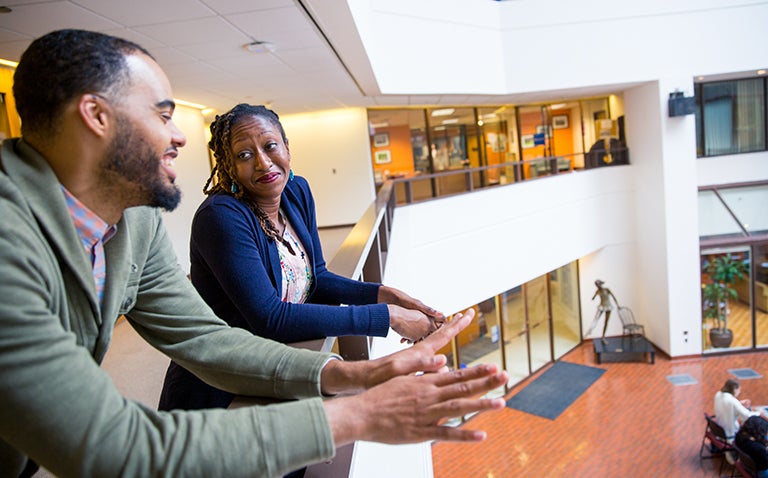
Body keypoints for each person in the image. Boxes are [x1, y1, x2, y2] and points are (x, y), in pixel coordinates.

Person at [0, 29, 509, 478]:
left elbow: (203, 336)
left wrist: (357, 373)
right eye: (162, 114)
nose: (178, 136)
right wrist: (363, 414)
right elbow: (113, 447)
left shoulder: (135, 216)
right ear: (96, 116)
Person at [159, 104, 444, 411]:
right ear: (228, 166)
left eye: (270, 146)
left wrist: (384, 294)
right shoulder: (221, 217)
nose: (263, 163)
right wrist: (387, 317)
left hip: (273, 371)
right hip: (219, 394)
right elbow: (270, 318)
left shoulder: (296, 190)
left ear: (287, 148)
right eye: (244, 155)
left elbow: (317, 276)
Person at [586, 279, 619, 344]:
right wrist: (594, 296)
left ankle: (603, 337)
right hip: (601, 306)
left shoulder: (607, 289)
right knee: (596, 318)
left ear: (600, 284)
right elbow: (593, 298)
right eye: (596, 285)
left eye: (598, 284)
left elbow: (613, 297)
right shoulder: (597, 291)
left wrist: (618, 305)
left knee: (606, 322)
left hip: (608, 306)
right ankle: (590, 329)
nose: (597, 286)